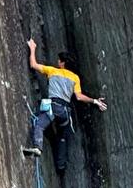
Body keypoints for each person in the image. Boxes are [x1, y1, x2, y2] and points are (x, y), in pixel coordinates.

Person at [22, 37, 106, 173]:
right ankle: (61, 166)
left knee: (39, 125)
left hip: (52, 107)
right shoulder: (75, 78)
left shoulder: (53, 71)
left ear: (62, 63)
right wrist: (94, 101)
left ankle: (38, 147)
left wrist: (32, 49)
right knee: (63, 136)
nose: (57, 62)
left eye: (59, 60)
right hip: (65, 112)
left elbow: (33, 64)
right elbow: (79, 97)